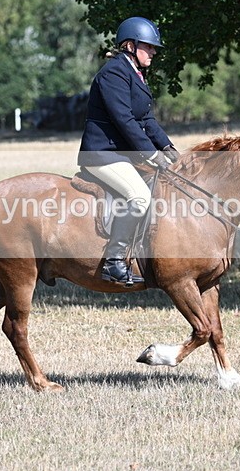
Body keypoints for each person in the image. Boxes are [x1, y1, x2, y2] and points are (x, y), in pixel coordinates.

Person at [77, 16, 180, 286]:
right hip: (102, 155)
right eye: (149, 46)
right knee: (140, 198)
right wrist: (152, 154)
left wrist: (168, 148)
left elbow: (146, 119)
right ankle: (114, 261)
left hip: (121, 155)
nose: (154, 52)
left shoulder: (135, 73)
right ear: (130, 46)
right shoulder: (113, 73)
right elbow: (125, 120)